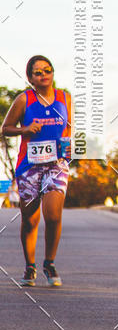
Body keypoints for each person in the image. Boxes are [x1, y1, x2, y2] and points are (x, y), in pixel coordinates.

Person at [1, 56, 71, 287]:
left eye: (47, 70)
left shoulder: (65, 98)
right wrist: (25, 129)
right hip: (29, 166)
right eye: (38, 72)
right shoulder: (24, 99)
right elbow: (5, 129)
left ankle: (49, 263)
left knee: (53, 215)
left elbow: (71, 129)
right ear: (30, 78)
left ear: (53, 72)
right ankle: (30, 266)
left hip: (56, 164)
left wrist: (72, 146)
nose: (43, 75)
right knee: (30, 220)